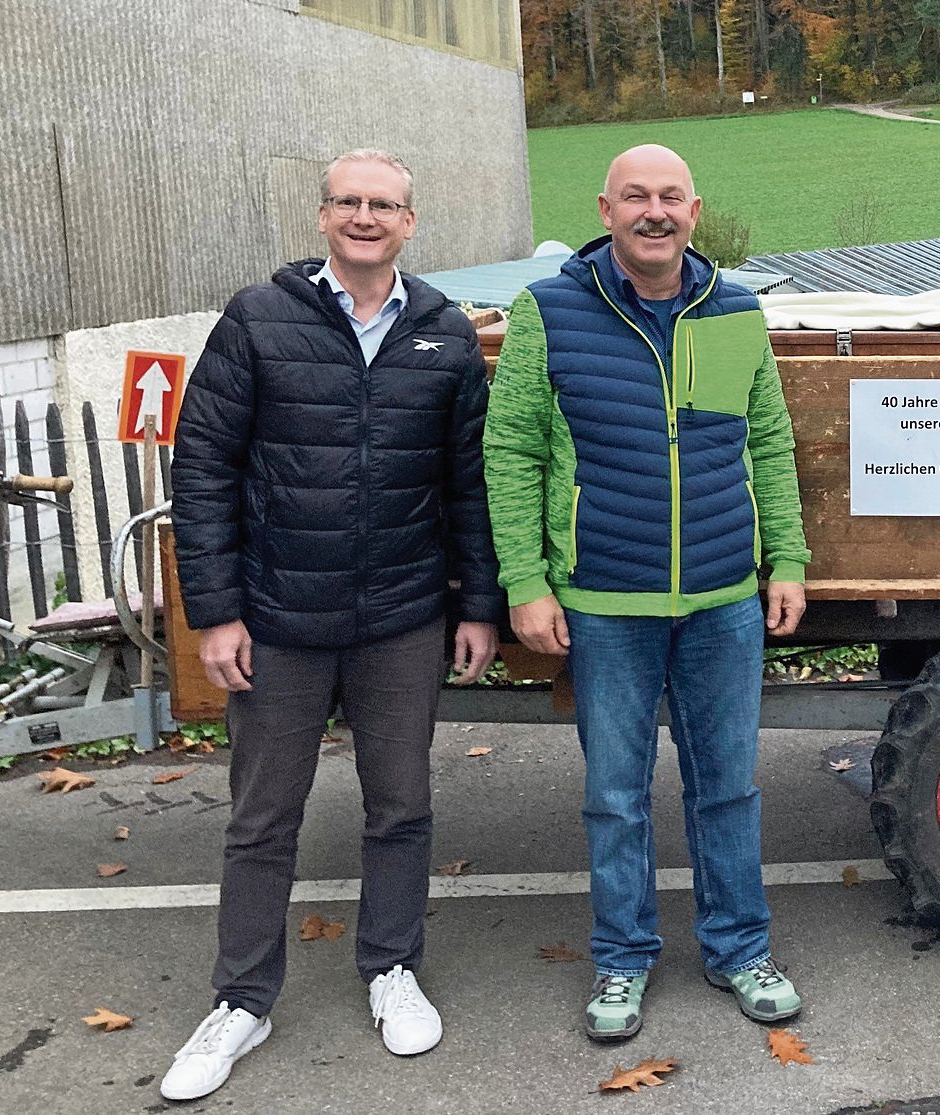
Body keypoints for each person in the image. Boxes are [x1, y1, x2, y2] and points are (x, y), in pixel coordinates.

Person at [164, 149, 501, 1100]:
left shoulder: (441, 332)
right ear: (323, 218)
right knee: (264, 816)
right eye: (349, 202)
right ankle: (242, 999)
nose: (365, 217)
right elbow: (204, 472)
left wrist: (477, 602)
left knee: (401, 803)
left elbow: (467, 482)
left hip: (400, 617)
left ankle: (391, 968)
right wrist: (218, 610)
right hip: (279, 618)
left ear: (409, 221)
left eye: (384, 204)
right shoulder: (258, 320)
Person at [484, 143, 810, 1043]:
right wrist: (526, 581)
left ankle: (739, 948)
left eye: (670, 197)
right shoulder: (550, 309)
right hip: (603, 603)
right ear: (606, 209)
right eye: (636, 197)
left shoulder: (733, 307)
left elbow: (768, 442)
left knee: (727, 789)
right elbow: (511, 452)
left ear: (694, 211)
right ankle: (622, 959)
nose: (654, 212)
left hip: (721, 599)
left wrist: (787, 560)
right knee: (614, 795)